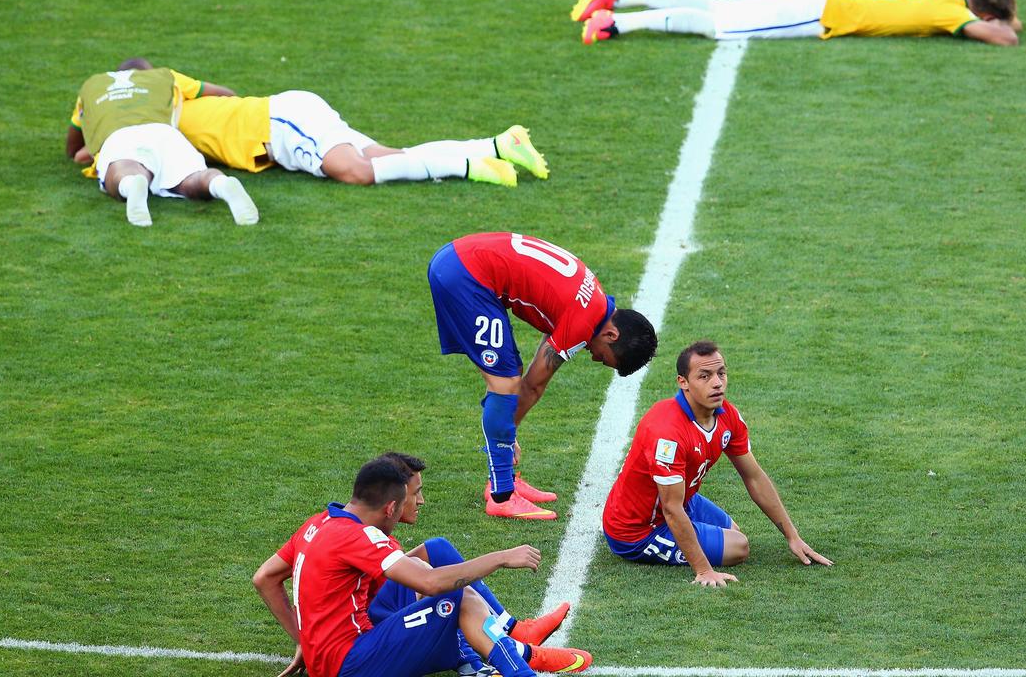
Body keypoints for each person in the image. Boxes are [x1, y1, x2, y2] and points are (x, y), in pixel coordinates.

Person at [253, 455, 592, 677]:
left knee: (439, 560)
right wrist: (501, 557)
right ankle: (519, 659)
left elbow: (265, 577)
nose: (420, 502)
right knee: (459, 599)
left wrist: (306, 642)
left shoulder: (320, 522)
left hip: (339, 651)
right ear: (390, 508)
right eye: (412, 497)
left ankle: (506, 649)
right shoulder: (359, 538)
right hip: (350, 662)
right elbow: (431, 585)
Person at [427, 232, 658, 520]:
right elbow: (534, 387)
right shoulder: (584, 323)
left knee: (511, 374)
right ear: (612, 334)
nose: (595, 357)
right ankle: (501, 494)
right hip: (466, 276)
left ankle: (506, 478)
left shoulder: (594, 298)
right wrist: (507, 437)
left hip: (461, 261)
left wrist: (508, 433)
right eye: (605, 357)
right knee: (505, 383)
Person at [601, 340, 832, 587]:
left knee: (733, 531)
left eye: (721, 373)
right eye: (704, 376)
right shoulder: (667, 433)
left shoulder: (727, 416)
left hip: (682, 500)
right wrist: (703, 570)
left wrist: (793, 537)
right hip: (638, 529)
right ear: (683, 383)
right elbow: (670, 508)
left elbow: (754, 477)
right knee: (738, 548)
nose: (717, 383)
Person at [136, 56, 547, 187]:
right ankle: (497, 146)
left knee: (353, 172)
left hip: (279, 122)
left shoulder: (161, 98)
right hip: (284, 118)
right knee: (389, 156)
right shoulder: (161, 117)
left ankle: (469, 166)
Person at [65, 59, 259, 227]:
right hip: (166, 134)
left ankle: (131, 183)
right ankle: (219, 183)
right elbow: (224, 93)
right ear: (148, 70)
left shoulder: (91, 86)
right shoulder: (163, 76)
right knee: (193, 178)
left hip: (119, 136)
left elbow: (72, 148)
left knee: (123, 168)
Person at [572, 0, 1022, 46]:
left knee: (719, 7)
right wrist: (1010, 23)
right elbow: (1006, 37)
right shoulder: (953, 17)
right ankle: (616, 23)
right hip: (823, 14)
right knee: (721, 26)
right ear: (984, 15)